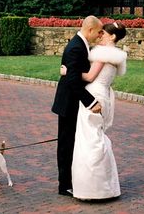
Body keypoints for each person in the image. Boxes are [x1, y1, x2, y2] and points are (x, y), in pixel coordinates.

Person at [66, 21, 127, 200]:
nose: (100, 35)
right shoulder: (117, 56)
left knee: (89, 140)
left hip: (93, 95)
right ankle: (105, 186)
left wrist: (68, 71)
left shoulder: (102, 54)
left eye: (104, 33)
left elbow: (89, 76)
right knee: (97, 137)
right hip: (105, 96)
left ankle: (91, 188)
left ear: (113, 37)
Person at [51, 15, 104, 196]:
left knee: (73, 142)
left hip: (73, 101)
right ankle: (64, 184)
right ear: (90, 30)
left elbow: (74, 73)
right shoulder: (75, 47)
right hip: (68, 102)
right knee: (66, 144)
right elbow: (73, 80)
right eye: (98, 32)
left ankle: (71, 180)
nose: (99, 35)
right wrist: (91, 101)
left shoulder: (81, 45)